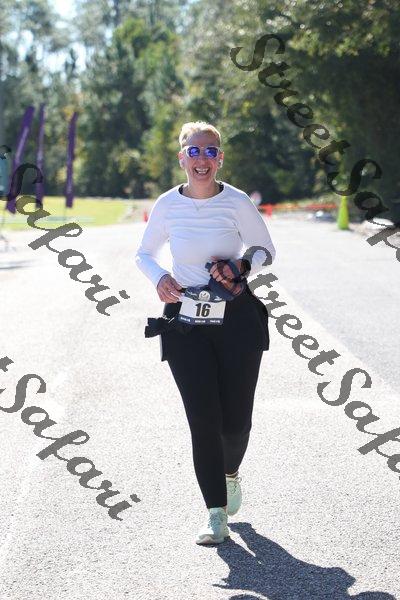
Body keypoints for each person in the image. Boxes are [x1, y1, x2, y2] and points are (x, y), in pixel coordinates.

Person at [135, 121, 276, 545]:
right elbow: (144, 253)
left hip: (236, 318)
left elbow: (264, 249)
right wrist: (160, 277)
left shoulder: (236, 201)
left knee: (236, 423)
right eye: (193, 152)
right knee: (203, 419)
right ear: (182, 158)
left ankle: (230, 472)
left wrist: (242, 266)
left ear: (220, 159)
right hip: (185, 322)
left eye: (210, 151)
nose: (202, 159)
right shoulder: (167, 204)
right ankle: (215, 514)